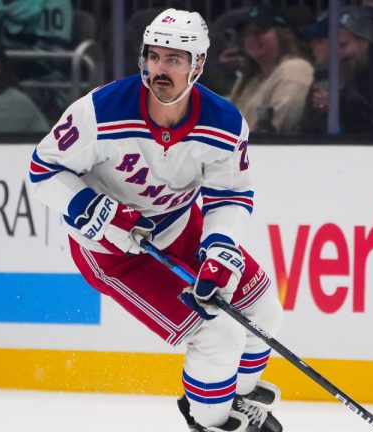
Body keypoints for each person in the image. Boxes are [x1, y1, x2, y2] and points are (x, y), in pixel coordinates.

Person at [28, 9, 284, 432]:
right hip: (113, 252)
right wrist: (90, 206)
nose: (160, 69)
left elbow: (231, 193)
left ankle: (230, 394)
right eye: (155, 57)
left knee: (262, 309)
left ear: (198, 65)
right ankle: (211, 421)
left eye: (174, 59)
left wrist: (221, 246)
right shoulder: (99, 112)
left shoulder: (223, 122)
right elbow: (44, 170)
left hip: (180, 227)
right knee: (216, 335)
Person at [298, 7, 373, 134]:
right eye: (333, 45)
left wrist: (336, 109)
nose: (337, 53)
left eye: (342, 45)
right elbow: (306, 131)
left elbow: (372, 133)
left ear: (365, 42)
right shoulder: (322, 79)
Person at [229, 4, 314, 134]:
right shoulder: (250, 78)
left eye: (260, 32)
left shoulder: (295, 68)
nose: (252, 39)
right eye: (247, 33)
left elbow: (275, 128)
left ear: (282, 34)